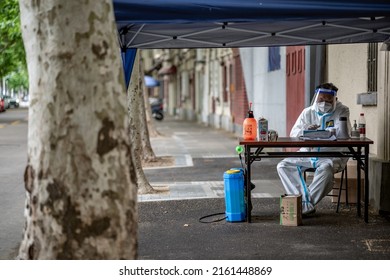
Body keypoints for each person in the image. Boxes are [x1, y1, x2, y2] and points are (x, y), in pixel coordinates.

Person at [277, 82, 351, 215]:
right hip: (307, 154)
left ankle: (303, 205)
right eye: (321, 99)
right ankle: (306, 204)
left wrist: (331, 132)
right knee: (283, 166)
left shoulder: (342, 110)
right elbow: (294, 134)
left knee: (326, 169)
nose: (324, 102)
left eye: (328, 100)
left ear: (335, 99)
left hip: (330, 155)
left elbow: (344, 135)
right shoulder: (308, 112)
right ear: (316, 98)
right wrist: (305, 131)